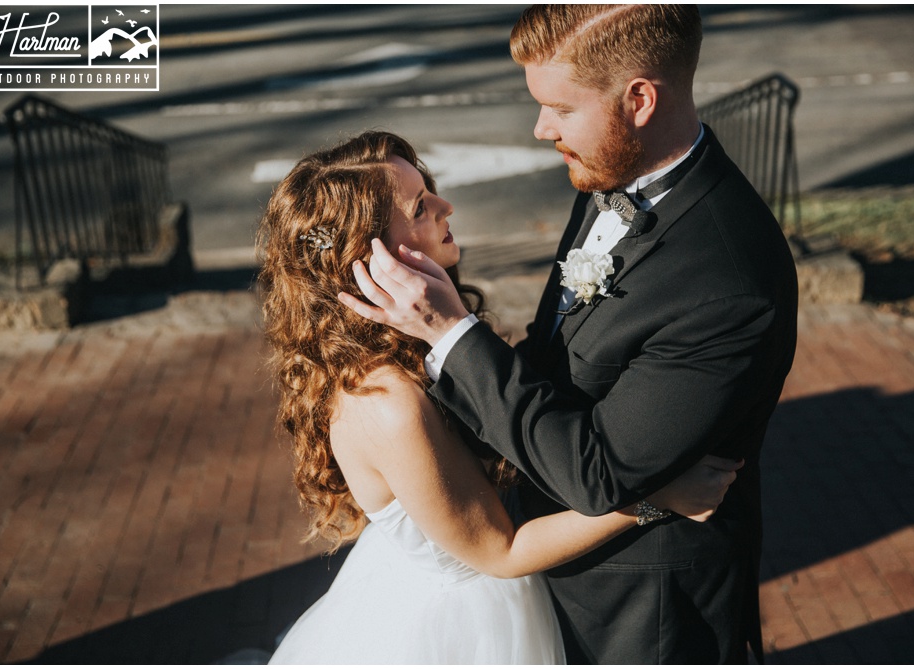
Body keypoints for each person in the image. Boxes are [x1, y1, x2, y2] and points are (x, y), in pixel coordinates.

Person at [338, 5, 799, 664]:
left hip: (646, 619)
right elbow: (559, 357)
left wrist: (451, 330)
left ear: (639, 99)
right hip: (547, 582)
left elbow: (598, 473)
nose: (539, 127)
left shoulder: (730, 282)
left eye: (558, 107)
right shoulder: (613, 172)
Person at [258, 130, 741, 664]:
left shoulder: (408, 343)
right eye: (421, 207)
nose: (445, 206)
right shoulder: (388, 403)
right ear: (367, 260)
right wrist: (655, 500)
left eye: (430, 191)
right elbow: (501, 551)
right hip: (458, 626)